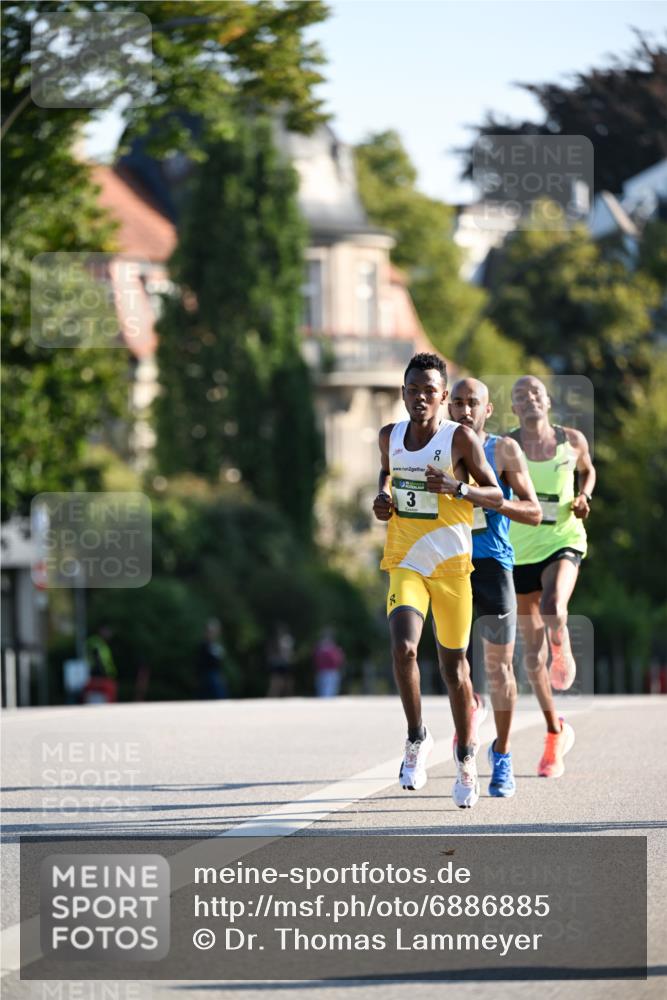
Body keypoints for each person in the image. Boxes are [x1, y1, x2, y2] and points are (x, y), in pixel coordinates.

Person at [373, 353, 503, 809]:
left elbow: (496, 494)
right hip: (405, 560)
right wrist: (382, 498)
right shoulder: (389, 436)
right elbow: (386, 475)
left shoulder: (460, 439)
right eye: (413, 390)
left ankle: (466, 756)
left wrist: (457, 488)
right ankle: (416, 737)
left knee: (455, 671)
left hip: (451, 568)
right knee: (404, 648)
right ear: (403, 393)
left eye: (430, 391)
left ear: (443, 396)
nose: (421, 398)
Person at [448, 378, 542, 798]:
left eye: (474, 403)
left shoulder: (503, 450)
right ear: (448, 407)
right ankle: (470, 712)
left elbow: (534, 511)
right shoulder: (435, 446)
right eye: (458, 402)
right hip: (448, 565)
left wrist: (489, 498)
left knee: (500, 669)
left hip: (492, 566)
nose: (465, 410)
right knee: (456, 667)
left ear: (487, 410)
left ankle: (501, 753)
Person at [509, 375, 596, 778]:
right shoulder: (506, 448)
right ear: (513, 408)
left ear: (547, 401)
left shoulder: (571, 440)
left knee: (553, 605)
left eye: (536, 393)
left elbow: (588, 471)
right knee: (532, 658)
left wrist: (584, 496)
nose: (529, 399)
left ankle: (561, 644)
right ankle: (553, 733)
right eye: (520, 396)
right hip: (518, 552)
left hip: (562, 539)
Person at [196, 618, 227, 699]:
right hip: (207, 673)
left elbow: (219, 662)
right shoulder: (204, 644)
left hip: (214, 673)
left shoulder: (215, 645)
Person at [313, 628, 345, 698]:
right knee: (326, 693)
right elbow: (339, 660)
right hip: (326, 672)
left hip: (329, 672)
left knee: (327, 692)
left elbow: (339, 660)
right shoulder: (330, 649)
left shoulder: (324, 649)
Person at [266, 624, 295, 698]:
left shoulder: (285, 639)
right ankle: (274, 696)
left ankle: (284, 696)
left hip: (283, 662)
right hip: (279, 663)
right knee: (277, 680)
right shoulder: (282, 639)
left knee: (285, 681)